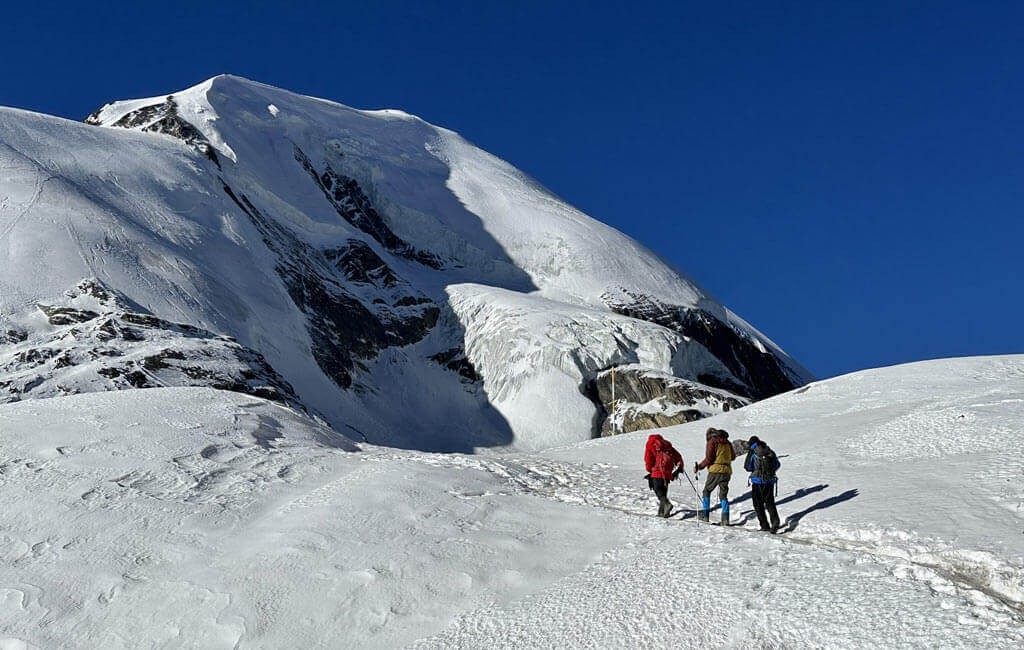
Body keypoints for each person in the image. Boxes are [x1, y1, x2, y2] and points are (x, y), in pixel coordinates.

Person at [694, 427, 736, 524]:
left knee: (707, 491)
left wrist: (699, 467)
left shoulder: (712, 442)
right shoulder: (728, 443)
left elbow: (709, 459)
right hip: (727, 471)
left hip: (715, 470)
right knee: (723, 494)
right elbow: (733, 457)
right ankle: (725, 518)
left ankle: (705, 515)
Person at [744, 435, 782, 533]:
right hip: (770, 481)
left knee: (758, 504)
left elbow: (747, 467)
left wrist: (756, 470)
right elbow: (777, 464)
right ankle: (775, 521)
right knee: (769, 502)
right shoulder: (768, 449)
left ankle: (764, 525)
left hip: (757, 481)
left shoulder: (753, 452)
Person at [644, 433, 684, 517]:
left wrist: (649, 469)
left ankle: (667, 504)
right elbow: (678, 456)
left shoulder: (650, 444)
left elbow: (648, 459)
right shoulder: (667, 445)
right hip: (668, 473)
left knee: (658, 489)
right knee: (663, 491)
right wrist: (680, 467)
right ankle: (663, 513)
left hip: (657, 472)